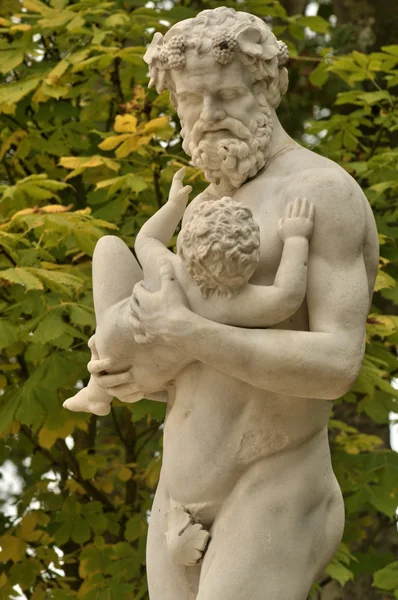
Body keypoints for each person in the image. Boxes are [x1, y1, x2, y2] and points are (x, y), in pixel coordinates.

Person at [86, 8, 379, 600]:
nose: (207, 116)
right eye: (191, 101)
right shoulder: (200, 211)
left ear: (266, 89)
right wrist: (131, 367)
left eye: (225, 94)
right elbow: (188, 365)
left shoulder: (320, 192)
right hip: (177, 503)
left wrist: (189, 334)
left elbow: (336, 363)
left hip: (275, 482)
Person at [64, 167, 314, 416]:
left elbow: (147, 237)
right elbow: (287, 296)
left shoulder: (166, 264)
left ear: (186, 243)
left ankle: (96, 390)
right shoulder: (235, 303)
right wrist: (296, 239)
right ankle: (97, 389)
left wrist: (175, 206)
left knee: (108, 245)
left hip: (114, 338)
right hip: (151, 373)